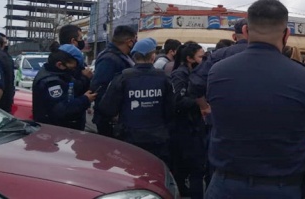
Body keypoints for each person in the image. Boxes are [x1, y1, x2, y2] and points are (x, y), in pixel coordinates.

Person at [206, 0, 305, 199]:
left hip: (226, 185)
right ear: (286, 34)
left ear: (245, 32)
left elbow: (217, 115)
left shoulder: (217, 72)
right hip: (281, 188)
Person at [98, 38, 175, 168]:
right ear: (153, 56)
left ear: (134, 57)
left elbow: (107, 107)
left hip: (129, 136)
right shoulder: (164, 78)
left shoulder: (123, 77)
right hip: (157, 138)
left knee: (130, 171)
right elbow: (171, 108)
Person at [189, 18, 248, 117]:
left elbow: (196, 84)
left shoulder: (218, 56)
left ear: (234, 37)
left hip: (224, 116)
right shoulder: (270, 56)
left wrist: (205, 107)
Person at [169, 43, 206, 199]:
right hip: (185, 130)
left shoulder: (196, 74)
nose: (204, 60)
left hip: (194, 128)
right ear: (190, 59)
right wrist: (199, 102)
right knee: (193, 169)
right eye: (201, 57)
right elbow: (177, 101)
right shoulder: (180, 75)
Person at [32, 44, 97, 129]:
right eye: (73, 68)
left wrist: (84, 79)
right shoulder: (52, 82)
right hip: (55, 132)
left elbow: (74, 87)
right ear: (60, 65)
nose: (74, 70)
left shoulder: (59, 74)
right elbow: (61, 110)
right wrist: (85, 100)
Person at [90, 25, 137, 137]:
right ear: (130, 41)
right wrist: (111, 113)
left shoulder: (123, 56)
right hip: (110, 119)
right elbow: (99, 88)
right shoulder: (109, 59)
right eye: (136, 39)